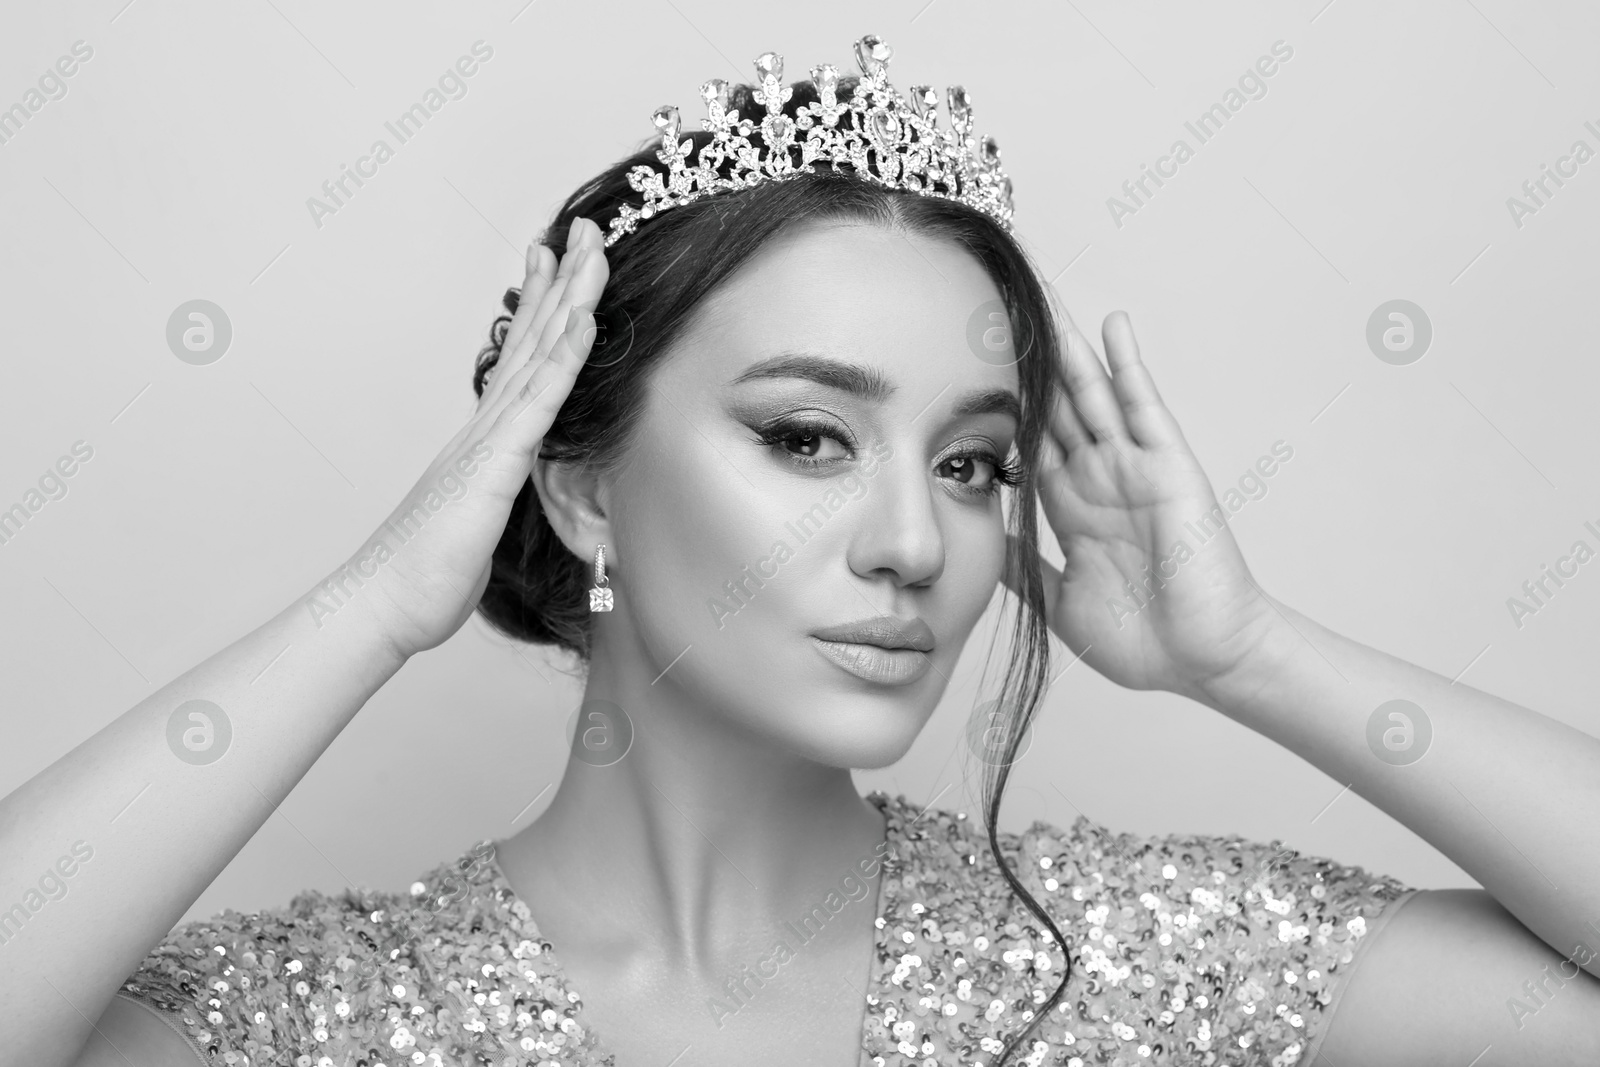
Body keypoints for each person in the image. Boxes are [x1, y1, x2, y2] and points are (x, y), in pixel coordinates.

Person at [7, 33, 1600, 1067]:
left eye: (973, 464)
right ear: (581, 489)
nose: (917, 543)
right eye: (806, 438)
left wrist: (1249, 654)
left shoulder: (1135, 956)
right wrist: (368, 610)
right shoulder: (326, 1022)